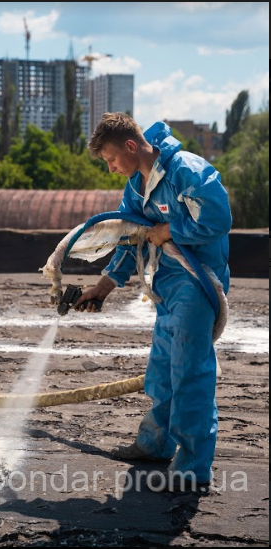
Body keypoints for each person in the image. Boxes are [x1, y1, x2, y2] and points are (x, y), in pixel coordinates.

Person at [75, 112, 232, 491]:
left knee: (190, 373)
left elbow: (217, 220)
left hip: (196, 283)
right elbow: (132, 238)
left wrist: (168, 230)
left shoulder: (187, 171)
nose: (112, 169)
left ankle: (192, 468)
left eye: (112, 160)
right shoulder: (136, 187)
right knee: (162, 371)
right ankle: (155, 445)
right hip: (164, 287)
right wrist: (103, 287)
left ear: (131, 146)